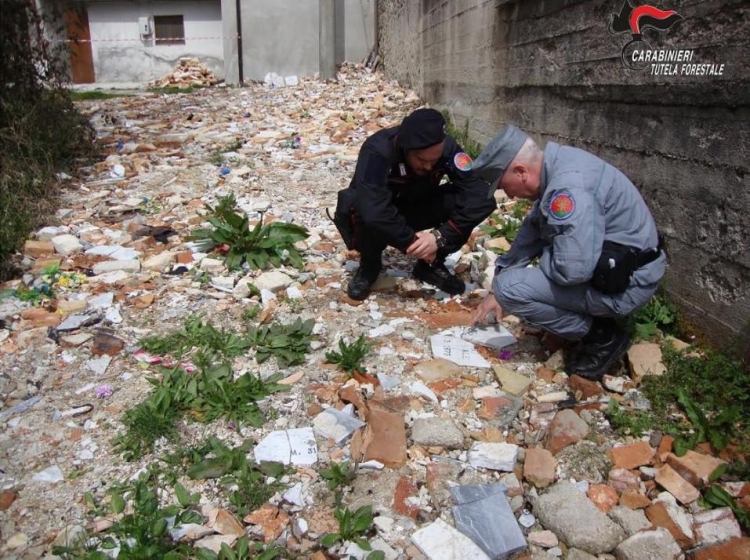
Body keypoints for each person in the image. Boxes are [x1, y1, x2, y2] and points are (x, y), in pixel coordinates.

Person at [470, 126, 666, 381]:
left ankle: (602, 336)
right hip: (619, 268)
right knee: (506, 285)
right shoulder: (558, 164)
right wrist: (499, 280)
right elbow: (533, 229)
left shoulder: (568, 190)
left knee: (511, 289)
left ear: (521, 172)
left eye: (504, 186)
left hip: (628, 285)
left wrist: (513, 282)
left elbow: (571, 272)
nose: (507, 194)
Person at [331, 108, 496, 300]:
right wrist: (413, 242)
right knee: (360, 207)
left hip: (418, 205)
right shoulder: (378, 150)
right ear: (405, 148)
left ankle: (431, 264)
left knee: (464, 199)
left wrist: (439, 237)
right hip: (384, 215)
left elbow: (482, 196)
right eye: (422, 160)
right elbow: (374, 210)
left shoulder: (449, 149)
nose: (428, 167)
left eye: (434, 161)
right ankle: (370, 264)